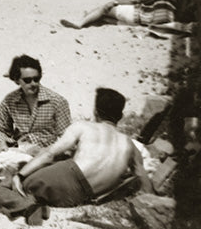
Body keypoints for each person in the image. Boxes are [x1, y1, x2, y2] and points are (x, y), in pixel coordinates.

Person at [13, 88, 150, 207]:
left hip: (70, 177)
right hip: (86, 196)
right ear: (120, 116)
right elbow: (141, 176)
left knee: (23, 184)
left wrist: (20, 175)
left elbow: (50, 153)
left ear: (95, 112)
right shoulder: (129, 144)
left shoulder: (84, 126)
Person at [0, 55, 72, 155]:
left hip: (45, 155)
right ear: (17, 80)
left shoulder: (57, 101)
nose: (33, 84)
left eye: (36, 79)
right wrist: (2, 142)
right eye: (27, 80)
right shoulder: (10, 101)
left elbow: (68, 138)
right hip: (16, 150)